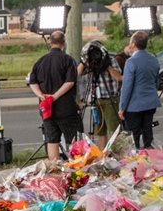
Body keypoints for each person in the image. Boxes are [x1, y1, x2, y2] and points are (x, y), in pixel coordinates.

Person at [27, 30, 80, 162]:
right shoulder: (68, 60)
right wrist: (55, 96)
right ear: (64, 42)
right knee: (74, 140)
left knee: (52, 140)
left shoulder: (40, 61)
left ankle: (55, 169)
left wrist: (41, 95)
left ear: (50, 42)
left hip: (47, 109)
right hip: (66, 108)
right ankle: (76, 169)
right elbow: (70, 82)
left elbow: (32, 82)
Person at [118, 31, 161, 149]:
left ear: (133, 44)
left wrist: (122, 108)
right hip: (150, 103)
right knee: (148, 134)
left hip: (134, 106)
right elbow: (156, 83)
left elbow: (127, 87)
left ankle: (135, 163)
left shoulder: (131, 62)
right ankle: (150, 160)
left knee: (133, 138)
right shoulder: (154, 60)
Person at [77, 39, 122, 147]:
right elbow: (78, 73)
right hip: (96, 99)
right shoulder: (91, 62)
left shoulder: (111, 60)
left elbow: (118, 78)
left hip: (110, 99)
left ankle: (116, 152)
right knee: (100, 131)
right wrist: (85, 60)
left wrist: (106, 65)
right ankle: (103, 154)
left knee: (114, 130)